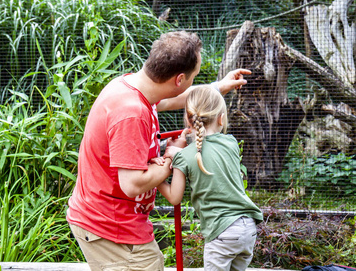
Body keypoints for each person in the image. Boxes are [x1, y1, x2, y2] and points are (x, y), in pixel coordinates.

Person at [66, 30, 251, 271]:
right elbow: (132, 185)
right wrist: (170, 159)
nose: (193, 81)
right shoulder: (132, 113)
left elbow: (172, 99)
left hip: (117, 216)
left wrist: (217, 88)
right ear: (179, 79)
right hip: (110, 224)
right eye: (194, 77)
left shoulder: (136, 87)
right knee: (150, 264)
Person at [157, 85, 263, 271]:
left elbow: (175, 197)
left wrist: (158, 176)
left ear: (188, 121)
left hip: (222, 231)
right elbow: (209, 153)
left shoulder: (184, 156)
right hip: (248, 228)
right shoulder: (231, 143)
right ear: (221, 118)